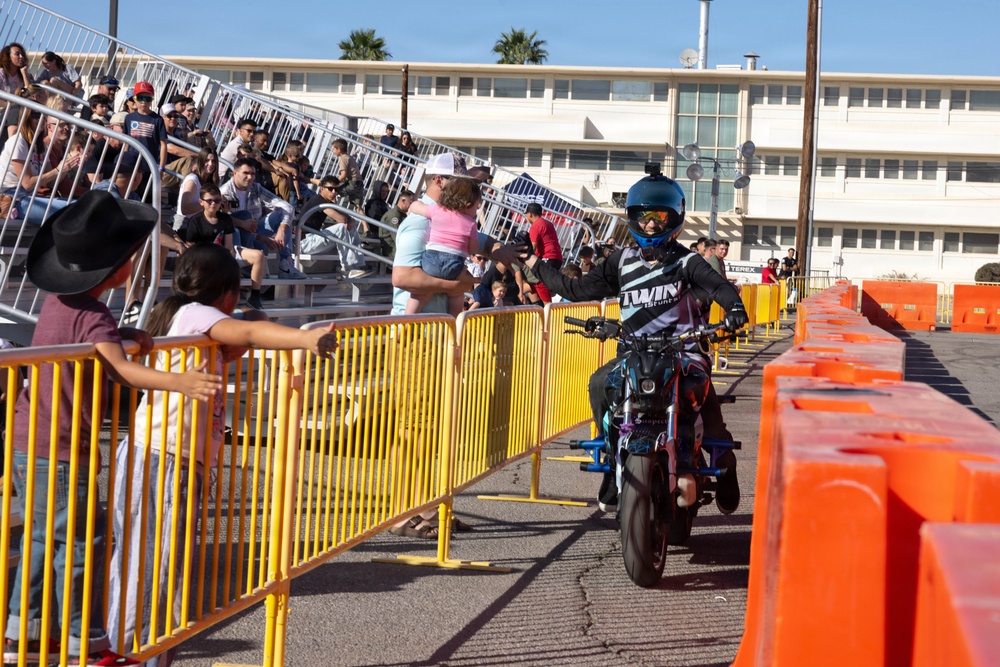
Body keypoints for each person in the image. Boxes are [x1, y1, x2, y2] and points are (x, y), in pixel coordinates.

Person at [4, 190, 222, 666]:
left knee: (44, 537)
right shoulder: (96, 314)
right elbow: (123, 371)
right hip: (60, 448)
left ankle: (23, 632)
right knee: (81, 540)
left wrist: (123, 335)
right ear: (118, 268)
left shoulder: (64, 301)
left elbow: (90, 344)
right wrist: (180, 381)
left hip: (28, 440)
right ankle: (87, 643)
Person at [106, 244, 336, 666]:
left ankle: (140, 652)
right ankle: (132, 654)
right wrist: (304, 337)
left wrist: (252, 318)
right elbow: (244, 335)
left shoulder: (188, 317)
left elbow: (240, 334)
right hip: (163, 457)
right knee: (153, 564)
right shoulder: (197, 316)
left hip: (166, 456)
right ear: (225, 292)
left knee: (155, 562)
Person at [514, 166, 748, 515]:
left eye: (659, 216)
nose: (650, 224)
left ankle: (726, 468)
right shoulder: (619, 261)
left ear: (675, 218)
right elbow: (576, 288)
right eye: (642, 216)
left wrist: (735, 309)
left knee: (707, 409)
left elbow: (720, 288)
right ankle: (612, 462)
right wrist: (534, 262)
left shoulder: (688, 261)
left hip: (683, 353)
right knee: (598, 384)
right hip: (635, 354)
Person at [388, 152, 517, 538]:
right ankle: (413, 514)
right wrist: (458, 285)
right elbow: (402, 277)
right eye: (459, 182)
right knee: (419, 426)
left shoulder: (447, 215)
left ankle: (430, 509)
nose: (467, 190)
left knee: (433, 425)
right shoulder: (417, 222)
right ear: (440, 183)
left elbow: (475, 239)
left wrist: (497, 250)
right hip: (419, 336)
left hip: (436, 331)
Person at [404, 176, 482, 316]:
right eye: (476, 207)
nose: (476, 211)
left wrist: (412, 208)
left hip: (430, 262)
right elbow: (473, 248)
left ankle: (404, 323)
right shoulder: (471, 224)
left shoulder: (438, 210)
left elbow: (417, 206)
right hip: (454, 265)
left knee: (419, 296)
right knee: (456, 294)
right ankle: (453, 323)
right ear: (467, 204)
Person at [182, 182, 266, 309]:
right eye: (209, 201)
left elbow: (229, 246)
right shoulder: (195, 221)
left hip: (224, 254)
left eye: (217, 200)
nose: (213, 204)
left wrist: (228, 261)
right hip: (204, 257)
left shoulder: (225, 219)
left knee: (259, 255)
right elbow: (190, 248)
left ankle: (254, 297)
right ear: (201, 202)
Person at [220, 157, 305, 279]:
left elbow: (287, 206)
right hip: (238, 236)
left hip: (254, 230)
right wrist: (261, 237)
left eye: (252, 174)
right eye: (246, 173)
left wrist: (281, 229)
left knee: (284, 216)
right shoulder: (225, 193)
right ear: (235, 173)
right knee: (244, 218)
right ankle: (245, 267)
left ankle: (285, 264)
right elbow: (223, 221)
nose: (250, 177)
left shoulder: (256, 188)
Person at [0, 106, 77, 224]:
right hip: (12, 197)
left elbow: (51, 182)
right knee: (74, 211)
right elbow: (27, 183)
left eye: (43, 114)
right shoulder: (18, 141)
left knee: (80, 206)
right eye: (35, 115)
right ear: (25, 118)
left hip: (31, 196)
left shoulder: (42, 146)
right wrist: (57, 170)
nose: (41, 118)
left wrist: (66, 167)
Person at [298, 174, 369, 278]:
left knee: (352, 229)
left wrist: (348, 222)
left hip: (313, 239)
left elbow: (352, 220)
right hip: (303, 243)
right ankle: (347, 268)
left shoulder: (328, 202)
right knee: (341, 227)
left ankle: (356, 266)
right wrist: (347, 222)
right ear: (322, 189)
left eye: (336, 189)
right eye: (330, 189)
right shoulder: (318, 200)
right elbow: (341, 219)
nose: (334, 192)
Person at [523, 202, 563, 304]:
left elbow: (533, 246)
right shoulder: (548, 223)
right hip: (557, 257)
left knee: (538, 280)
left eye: (526, 214)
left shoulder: (535, 226)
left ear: (530, 214)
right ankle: (537, 304)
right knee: (533, 279)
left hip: (547, 256)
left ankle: (547, 306)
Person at [124, 81, 167, 173]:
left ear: (152, 100)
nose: (144, 102)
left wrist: (162, 168)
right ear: (134, 99)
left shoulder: (158, 119)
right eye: (140, 98)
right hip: (131, 164)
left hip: (150, 165)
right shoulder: (129, 118)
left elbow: (163, 144)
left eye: (148, 98)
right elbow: (126, 142)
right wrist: (123, 160)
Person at [378, 188, 412, 260]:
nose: (412, 206)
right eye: (411, 203)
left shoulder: (401, 214)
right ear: (403, 201)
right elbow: (397, 237)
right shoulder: (394, 215)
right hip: (391, 250)